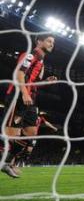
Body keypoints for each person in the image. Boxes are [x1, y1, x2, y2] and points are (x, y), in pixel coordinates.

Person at [2, 33, 57, 178]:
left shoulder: (41, 62)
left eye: (53, 42)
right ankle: (5, 162)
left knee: (31, 134)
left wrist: (46, 82)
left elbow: (33, 83)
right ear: (39, 41)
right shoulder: (30, 55)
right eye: (49, 41)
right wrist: (25, 93)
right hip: (18, 96)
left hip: (30, 101)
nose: (52, 44)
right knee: (12, 136)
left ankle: (8, 163)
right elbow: (19, 74)